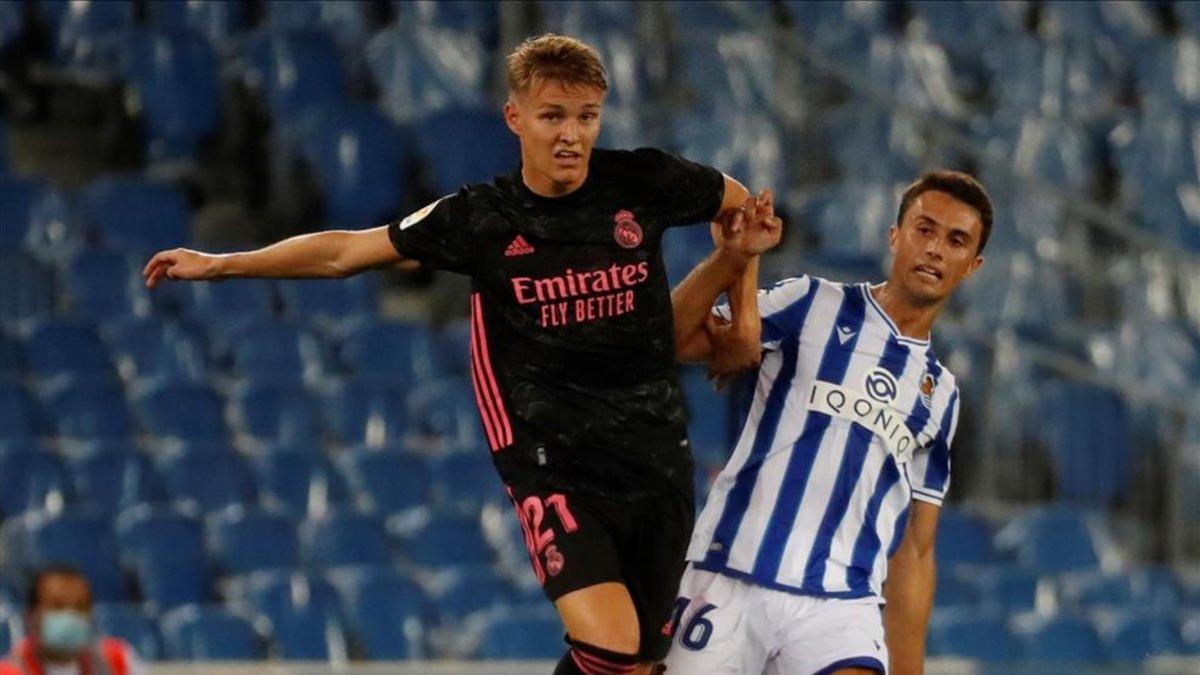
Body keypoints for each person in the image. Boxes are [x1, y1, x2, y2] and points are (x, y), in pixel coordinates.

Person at [142, 34, 780, 675]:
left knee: (641, 662)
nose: (571, 135)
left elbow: (739, 208)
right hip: (553, 463)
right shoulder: (482, 219)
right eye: (552, 116)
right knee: (608, 647)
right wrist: (224, 264)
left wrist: (745, 322)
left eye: (586, 117)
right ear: (515, 118)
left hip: (656, 456)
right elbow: (345, 253)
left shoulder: (643, 181)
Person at [665, 171, 992, 674]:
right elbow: (676, 340)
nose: (934, 250)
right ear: (894, 236)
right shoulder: (810, 303)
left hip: (838, 605)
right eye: (924, 230)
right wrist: (733, 259)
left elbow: (917, 549)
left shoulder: (941, 394)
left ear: (972, 266)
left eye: (955, 241)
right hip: (730, 574)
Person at [1, 566, 144, 675]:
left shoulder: (119, 661)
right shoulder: (9, 671)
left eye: (80, 607)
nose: (70, 615)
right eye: (57, 606)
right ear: (30, 616)